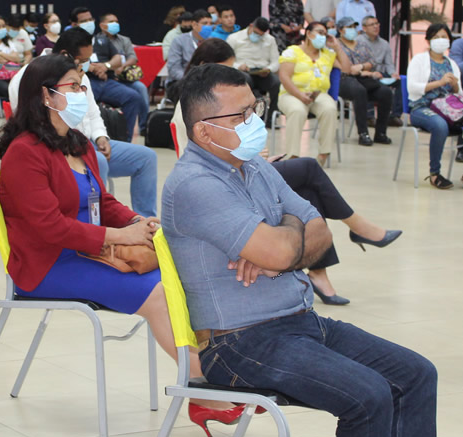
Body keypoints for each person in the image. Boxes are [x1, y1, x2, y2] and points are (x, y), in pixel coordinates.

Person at [165, 63, 463, 437]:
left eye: (256, 109)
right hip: (239, 343)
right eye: (243, 113)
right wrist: (284, 238)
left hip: (298, 320)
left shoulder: (255, 168)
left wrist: (282, 241)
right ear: (204, 130)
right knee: (368, 394)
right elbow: (290, 240)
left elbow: (319, 234)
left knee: (415, 374)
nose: (256, 120)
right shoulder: (194, 186)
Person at [0, 54, 242, 432]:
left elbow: (102, 200)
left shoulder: (77, 143)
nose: (82, 93)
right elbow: (47, 227)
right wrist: (118, 235)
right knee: (159, 293)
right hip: (50, 264)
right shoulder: (24, 152)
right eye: (73, 87)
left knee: (187, 273)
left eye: (83, 86)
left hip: (94, 251)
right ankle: (201, 387)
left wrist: (136, 221)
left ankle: (217, 371)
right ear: (45, 95)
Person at [170, 41, 400, 303]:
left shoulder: (230, 118)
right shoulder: (193, 116)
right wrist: (291, 235)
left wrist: (283, 254)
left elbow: (319, 235)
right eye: (224, 70)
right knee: (308, 170)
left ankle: (322, 268)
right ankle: (351, 232)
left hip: (250, 164)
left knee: (307, 188)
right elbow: (200, 158)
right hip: (230, 173)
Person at [9, 28, 160, 218]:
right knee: (97, 162)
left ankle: (146, 220)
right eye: (84, 60)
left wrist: (101, 136)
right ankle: (93, 221)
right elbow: (26, 121)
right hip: (55, 145)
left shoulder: (80, 74)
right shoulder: (27, 77)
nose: (87, 66)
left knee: (145, 158)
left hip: (86, 142)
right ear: (66, 55)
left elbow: (93, 113)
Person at [408, 22, 463, 190]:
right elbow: (412, 87)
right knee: (439, 125)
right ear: (428, 40)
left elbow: (459, 94)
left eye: (444, 37)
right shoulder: (419, 60)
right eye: (436, 37)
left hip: (449, 109)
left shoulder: (452, 63)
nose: (441, 40)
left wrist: (455, 85)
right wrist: (439, 82)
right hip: (422, 107)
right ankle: (435, 174)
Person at [277, 21, 350, 164]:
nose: (323, 37)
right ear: (309, 34)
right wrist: (300, 95)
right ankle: (293, 157)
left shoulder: (328, 54)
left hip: (318, 94)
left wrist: (337, 47)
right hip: (292, 93)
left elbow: (347, 69)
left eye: (325, 34)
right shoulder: (293, 51)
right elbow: (284, 77)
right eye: (320, 33)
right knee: (297, 110)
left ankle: (323, 155)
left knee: (330, 109)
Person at [336, 16, 392, 145]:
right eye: (348, 27)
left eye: (354, 27)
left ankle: (381, 132)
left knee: (385, 92)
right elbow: (346, 68)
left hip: (363, 78)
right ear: (340, 30)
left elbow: (372, 61)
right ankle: (363, 133)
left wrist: (361, 68)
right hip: (344, 79)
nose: (352, 30)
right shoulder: (336, 45)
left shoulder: (361, 43)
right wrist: (361, 70)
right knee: (359, 91)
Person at [94, 13, 149, 131]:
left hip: (124, 77)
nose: (115, 24)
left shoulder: (124, 40)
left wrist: (121, 66)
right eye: (111, 22)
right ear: (102, 25)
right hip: (107, 78)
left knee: (141, 88)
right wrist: (110, 68)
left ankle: (144, 125)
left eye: (116, 21)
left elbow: (133, 58)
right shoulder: (97, 41)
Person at [227, 17, 280, 118]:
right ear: (251, 26)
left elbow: (276, 62)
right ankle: (249, 113)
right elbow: (227, 61)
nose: (258, 36)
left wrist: (269, 69)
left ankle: (270, 117)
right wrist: (238, 66)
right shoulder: (234, 38)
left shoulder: (270, 40)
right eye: (256, 33)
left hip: (262, 73)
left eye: (261, 35)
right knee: (246, 79)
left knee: (276, 83)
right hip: (243, 72)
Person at [358, 15, 403, 128]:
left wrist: (393, 73)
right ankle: (369, 116)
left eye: (377, 24)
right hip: (365, 74)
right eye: (372, 24)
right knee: (368, 82)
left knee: (399, 81)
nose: (375, 27)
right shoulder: (358, 42)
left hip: (381, 74)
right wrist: (371, 73)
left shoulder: (384, 43)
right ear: (364, 28)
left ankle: (394, 116)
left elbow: (389, 64)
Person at [167, 10, 210, 94]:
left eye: (210, 23)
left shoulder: (213, 42)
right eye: (205, 23)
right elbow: (174, 69)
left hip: (206, 82)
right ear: (194, 25)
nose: (209, 26)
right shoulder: (179, 41)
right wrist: (191, 79)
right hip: (181, 81)